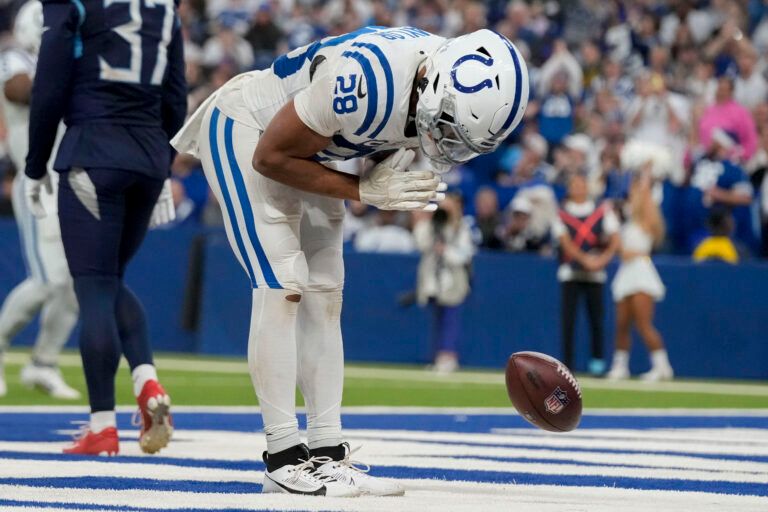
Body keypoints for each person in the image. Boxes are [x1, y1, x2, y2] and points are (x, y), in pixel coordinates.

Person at [171, 26, 528, 496]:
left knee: (326, 291)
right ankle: (282, 458)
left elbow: (383, 141)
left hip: (313, 149)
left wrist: (379, 176)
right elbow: (271, 156)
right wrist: (362, 190)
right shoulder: (368, 78)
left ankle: (327, 452)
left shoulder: (434, 85)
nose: (446, 143)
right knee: (283, 281)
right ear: (433, 83)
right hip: (247, 130)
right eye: (446, 127)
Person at [24, 0, 187, 455]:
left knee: (94, 286)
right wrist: (164, 165)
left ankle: (102, 426)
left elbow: (49, 84)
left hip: (94, 149)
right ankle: (147, 382)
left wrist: (35, 165)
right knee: (110, 281)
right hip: (149, 156)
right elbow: (176, 96)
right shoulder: (164, 8)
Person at [0, 1, 79, 400]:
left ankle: (43, 363)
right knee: (47, 281)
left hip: (70, 186)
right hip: (37, 186)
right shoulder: (16, 58)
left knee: (74, 286)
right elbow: (18, 90)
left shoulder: (70, 63)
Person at [607, 166, 673, 382]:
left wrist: (646, 172)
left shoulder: (647, 220)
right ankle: (620, 366)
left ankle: (662, 367)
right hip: (626, 273)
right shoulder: (627, 221)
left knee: (643, 323)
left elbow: (644, 194)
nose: (632, 193)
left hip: (641, 272)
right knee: (622, 324)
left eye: (636, 191)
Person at [551, 172, 620, 375]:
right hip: (570, 273)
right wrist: (585, 260)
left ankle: (597, 364)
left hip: (596, 274)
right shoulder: (561, 213)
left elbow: (615, 238)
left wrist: (602, 260)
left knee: (596, 320)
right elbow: (565, 242)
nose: (579, 188)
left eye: (582, 184)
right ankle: (567, 365)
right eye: (574, 184)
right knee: (568, 321)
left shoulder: (602, 210)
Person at [414, 194, 474, 373]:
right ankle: (435, 356)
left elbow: (465, 255)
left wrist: (445, 250)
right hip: (433, 280)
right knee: (435, 320)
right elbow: (420, 243)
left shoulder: (461, 228)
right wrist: (429, 222)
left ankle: (448, 356)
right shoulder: (430, 226)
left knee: (450, 319)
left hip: (453, 281)